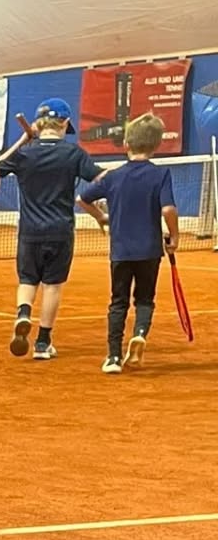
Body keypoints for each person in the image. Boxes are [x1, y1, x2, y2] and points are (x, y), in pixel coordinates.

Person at [0, 98, 104, 361]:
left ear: (39, 124)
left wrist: (22, 141)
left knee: (27, 281)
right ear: (65, 123)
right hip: (61, 230)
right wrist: (101, 210)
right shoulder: (74, 154)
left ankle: (23, 314)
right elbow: (100, 178)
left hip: (30, 232)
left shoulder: (25, 154)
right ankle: (42, 342)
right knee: (52, 286)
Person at [75, 112, 180, 373]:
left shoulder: (112, 176)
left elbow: (82, 199)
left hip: (121, 251)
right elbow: (168, 210)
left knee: (118, 301)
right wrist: (174, 236)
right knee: (145, 299)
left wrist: (103, 218)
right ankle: (140, 334)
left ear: (126, 144)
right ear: (156, 145)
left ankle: (112, 357)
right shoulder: (161, 174)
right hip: (150, 250)